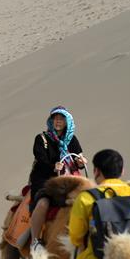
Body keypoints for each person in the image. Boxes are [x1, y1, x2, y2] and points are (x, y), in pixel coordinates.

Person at [24, 106, 85, 249]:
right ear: (51, 120)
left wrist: (80, 162)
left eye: (61, 118)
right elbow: (41, 159)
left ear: (67, 121)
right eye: (55, 118)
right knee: (43, 203)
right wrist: (53, 166)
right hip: (46, 179)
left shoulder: (72, 139)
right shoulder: (42, 139)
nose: (58, 121)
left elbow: (79, 158)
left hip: (69, 179)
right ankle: (35, 242)